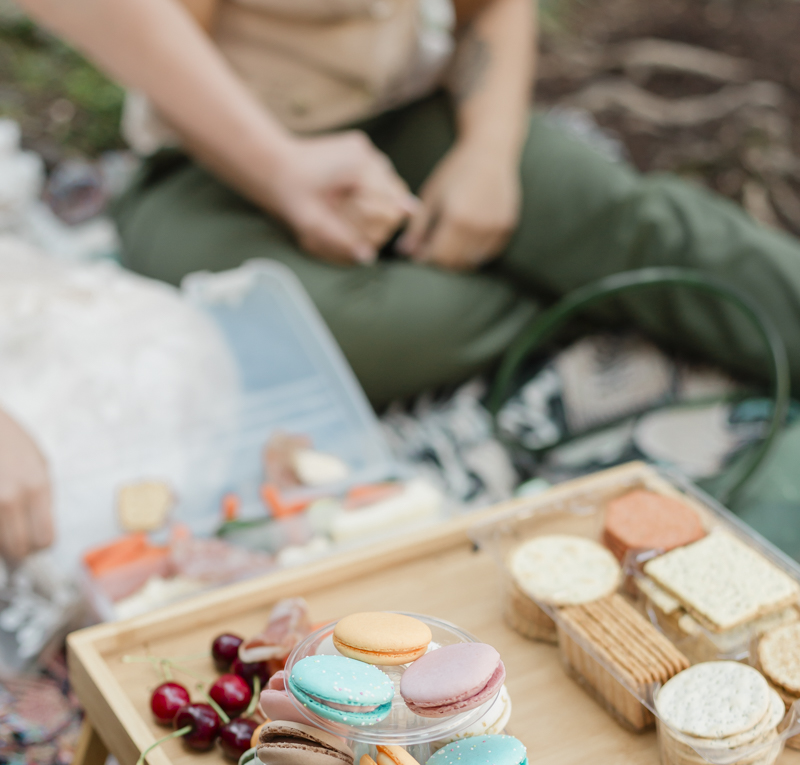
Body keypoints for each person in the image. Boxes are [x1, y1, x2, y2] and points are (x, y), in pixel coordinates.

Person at [5, 0, 800, 565]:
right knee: (342, 329)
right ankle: (590, 296)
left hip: (409, 112)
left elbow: (491, 12)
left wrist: (489, 155)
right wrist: (282, 171)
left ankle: (627, 277)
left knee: (620, 215)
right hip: (206, 162)